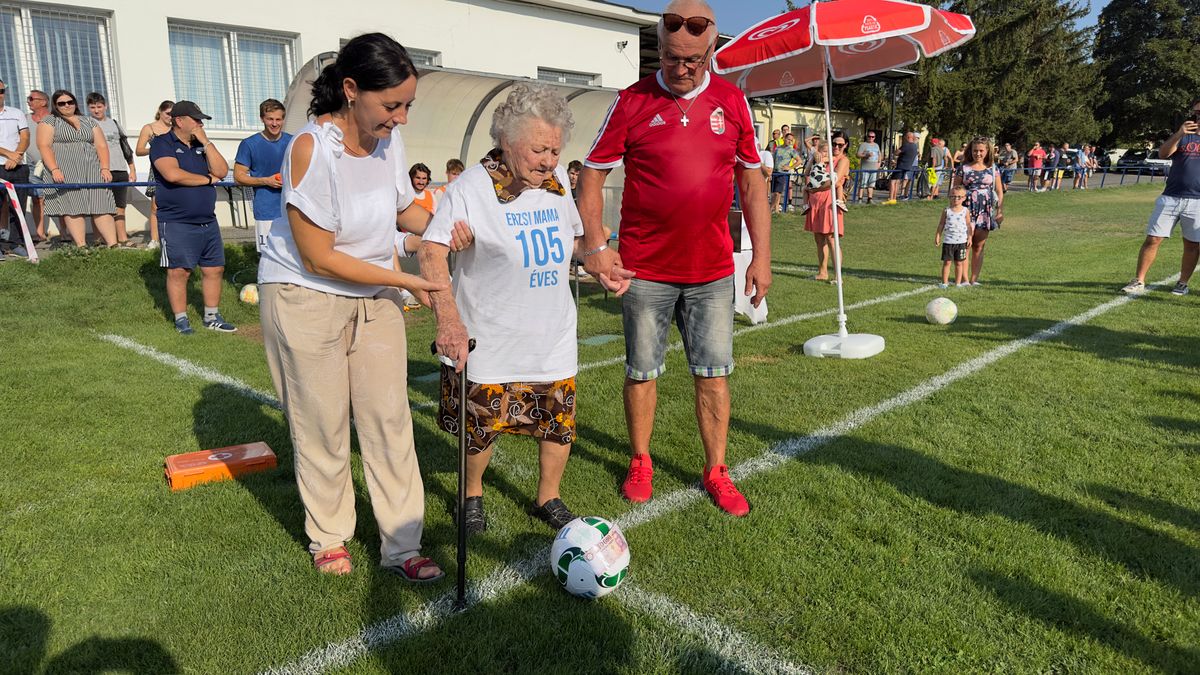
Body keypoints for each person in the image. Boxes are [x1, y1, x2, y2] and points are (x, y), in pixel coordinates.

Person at [256, 33, 448, 579]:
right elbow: (319, 258)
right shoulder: (310, 149)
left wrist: (454, 228)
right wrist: (406, 281)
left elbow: (406, 212)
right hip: (304, 296)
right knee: (322, 422)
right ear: (350, 90)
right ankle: (329, 536)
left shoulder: (389, 143)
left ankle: (403, 545)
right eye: (392, 105)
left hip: (375, 294)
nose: (401, 118)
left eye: (407, 105)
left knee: (389, 420)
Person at [577, 0, 771, 517]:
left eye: (693, 60)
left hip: (711, 271)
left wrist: (759, 256)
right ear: (657, 49)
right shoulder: (630, 102)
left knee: (713, 373)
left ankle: (716, 469)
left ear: (712, 50)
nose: (682, 69)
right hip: (643, 270)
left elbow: (752, 182)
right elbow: (591, 174)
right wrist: (597, 246)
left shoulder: (732, 102)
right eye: (670, 58)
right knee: (642, 371)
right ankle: (641, 460)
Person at [421, 83, 585, 533]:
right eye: (538, 149)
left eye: (555, 149)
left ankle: (547, 497)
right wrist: (448, 320)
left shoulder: (556, 187)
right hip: (490, 334)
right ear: (506, 140)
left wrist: (597, 257)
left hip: (551, 333)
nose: (549, 160)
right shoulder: (471, 187)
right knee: (482, 427)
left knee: (556, 421)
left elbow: (572, 241)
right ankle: (471, 494)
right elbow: (430, 252)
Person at [149, 100, 234, 333]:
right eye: (196, 119)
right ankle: (181, 319)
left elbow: (222, 171)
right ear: (179, 121)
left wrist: (206, 142)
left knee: (214, 269)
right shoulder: (161, 143)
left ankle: (211, 316)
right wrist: (206, 180)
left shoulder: (200, 144)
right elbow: (172, 174)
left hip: (208, 219)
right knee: (179, 271)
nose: (200, 123)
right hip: (176, 220)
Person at [1120, 98, 1200, 297]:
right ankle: (1139, 280)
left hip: (1198, 200)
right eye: (1196, 113)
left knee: (1192, 245)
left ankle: (1182, 283)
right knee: (1153, 239)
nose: (1197, 116)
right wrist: (1180, 133)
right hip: (1171, 196)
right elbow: (1163, 154)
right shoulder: (1184, 136)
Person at [36, 89, 118, 248]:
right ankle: (81, 247)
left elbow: (101, 145)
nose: (67, 105)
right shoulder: (50, 121)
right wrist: (54, 169)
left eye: (70, 102)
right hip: (65, 170)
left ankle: (113, 245)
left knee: (101, 204)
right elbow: (44, 146)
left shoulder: (89, 121)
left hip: (92, 168)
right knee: (73, 207)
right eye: (62, 103)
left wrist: (105, 168)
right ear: (56, 105)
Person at [234, 98, 291, 252]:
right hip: (266, 210)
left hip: (291, 209)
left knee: (292, 255)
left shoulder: (293, 141)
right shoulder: (249, 144)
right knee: (267, 256)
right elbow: (238, 176)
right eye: (270, 119)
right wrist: (266, 181)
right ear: (262, 119)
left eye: (278, 119)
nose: (274, 123)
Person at [86, 92, 138, 247]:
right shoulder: (87, 123)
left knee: (120, 207)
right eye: (93, 107)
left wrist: (132, 169)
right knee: (99, 207)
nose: (96, 110)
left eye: (99, 106)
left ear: (105, 106)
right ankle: (98, 240)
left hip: (119, 170)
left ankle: (122, 238)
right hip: (99, 170)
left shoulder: (114, 123)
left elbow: (125, 147)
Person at [952, 137, 1003, 285]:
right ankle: (964, 279)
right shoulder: (963, 169)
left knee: (979, 246)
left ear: (987, 151)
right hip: (966, 211)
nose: (978, 153)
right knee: (965, 245)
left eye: (981, 150)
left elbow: (999, 191)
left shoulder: (993, 169)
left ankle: (974, 280)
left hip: (985, 212)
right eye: (975, 150)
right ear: (970, 151)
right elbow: (955, 190)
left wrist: (1000, 211)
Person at [803, 137, 849, 281]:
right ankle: (822, 272)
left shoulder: (842, 160)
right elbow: (807, 173)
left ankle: (838, 276)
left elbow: (834, 182)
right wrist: (813, 159)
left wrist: (813, 189)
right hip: (816, 202)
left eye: (839, 145)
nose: (836, 147)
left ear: (845, 145)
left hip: (830, 201)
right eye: (834, 144)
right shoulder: (819, 158)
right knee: (819, 238)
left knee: (831, 238)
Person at [136, 100, 174, 249]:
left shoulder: (175, 129)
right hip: (157, 170)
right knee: (155, 207)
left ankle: (171, 237)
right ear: (160, 111)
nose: (170, 117)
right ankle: (155, 240)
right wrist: (155, 150)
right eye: (168, 113)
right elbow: (139, 150)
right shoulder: (149, 128)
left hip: (175, 168)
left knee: (174, 203)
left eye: (173, 114)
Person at [0, 78, 31, 258]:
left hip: (18, 167)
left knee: (18, 206)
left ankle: (16, 243)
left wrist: (17, 155)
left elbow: (25, 137)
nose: (0, 95)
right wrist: (8, 154)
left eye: (2, 91)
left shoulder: (16, 112)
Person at [24, 89, 50, 242]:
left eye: (31, 98)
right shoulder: (25, 119)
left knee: (58, 197)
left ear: (43, 102)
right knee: (37, 198)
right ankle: (39, 233)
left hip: (54, 165)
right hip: (33, 166)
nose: (28, 101)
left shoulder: (54, 119)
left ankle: (65, 233)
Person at [935, 185, 972, 287]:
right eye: (953, 196)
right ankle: (944, 283)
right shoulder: (947, 210)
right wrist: (938, 235)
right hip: (948, 241)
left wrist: (970, 237)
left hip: (961, 242)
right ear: (949, 196)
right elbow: (941, 224)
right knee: (947, 263)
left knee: (959, 263)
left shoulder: (965, 211)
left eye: (959, 197)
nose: (956, 199)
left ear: (964, 198)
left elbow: (969, 225)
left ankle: (958, 283)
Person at [769, 132, 800, 213]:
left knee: (777, 192)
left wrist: (790, 167)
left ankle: (769, 209)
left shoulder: (791, 150)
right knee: (774, 192)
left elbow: (799, 161)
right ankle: (776, 210)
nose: (789, 141)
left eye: (791, 140)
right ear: (784, 139)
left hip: (782, 173)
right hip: (774, 172)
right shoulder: (778, 148)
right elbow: (773, 159)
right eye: (788, 139)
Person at [886, 131, 919, 203]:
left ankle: (891, 199)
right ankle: (894, 198)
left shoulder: (906, 145)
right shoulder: (915, 146)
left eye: (905, 137)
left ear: (908, 137)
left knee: (892, 182)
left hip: (901, 166)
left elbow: (896, 152)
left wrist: (896, 153)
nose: (904, 138)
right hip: (908, 166)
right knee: (897, 182)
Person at [855, 130, 880, 203]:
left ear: (874, 137)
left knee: (871, 184)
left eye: (873, 137)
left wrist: (879, 163)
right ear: (867, 137)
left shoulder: (876, 145)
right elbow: (857, 155)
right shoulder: (863, 145)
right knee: (863, 184)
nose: (871, 138)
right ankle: (860, 199)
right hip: (865, 168)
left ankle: (870, 198)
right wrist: (866, 155)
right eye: (869, 136)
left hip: (874, 168)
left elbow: (879, 154)